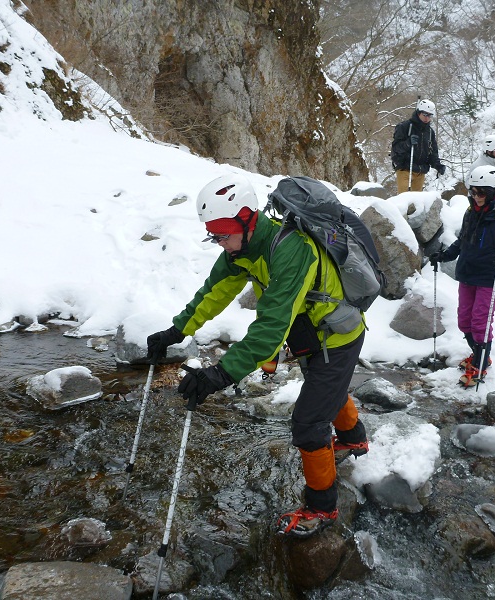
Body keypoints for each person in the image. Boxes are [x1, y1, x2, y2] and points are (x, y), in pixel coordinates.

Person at [146, 173, 369, 538]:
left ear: (248, 219)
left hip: (336, 336)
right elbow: (213, 292)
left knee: (308, 424)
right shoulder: (241, 248)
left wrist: (220, 374)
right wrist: (177, 331)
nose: (220, 244)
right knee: (322, 388)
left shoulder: (291, 249)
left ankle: (322, 507)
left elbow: (269, 329)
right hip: (307, 333)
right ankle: (354, 438)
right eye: (213, 236)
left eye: (222, 234)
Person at [428, 165, 495, 387]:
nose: (477, 197)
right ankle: (480, 355)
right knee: (464, 321)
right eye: (473, 191)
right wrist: (444, 255)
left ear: (492, 191)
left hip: (491, 276)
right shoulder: (471, 211)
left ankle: (479, 366)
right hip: (468, 273)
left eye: (482, 193)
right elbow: (463, 240)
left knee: (480, 322)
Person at [391, 99, 445, 194]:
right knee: (404, 199)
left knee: (416, 203)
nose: (427, 118)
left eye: (430, 115)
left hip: (421, 171)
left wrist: (438, 165)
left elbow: (433, 152)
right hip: (405, 168)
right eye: (425, 114)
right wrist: (408, 143)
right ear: (418, 112)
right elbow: (396, 148)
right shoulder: (405, 127)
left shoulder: (429, 132)